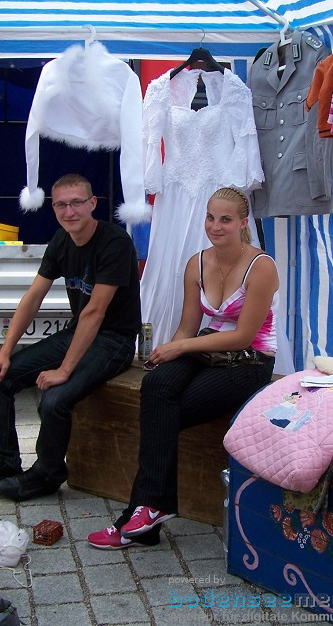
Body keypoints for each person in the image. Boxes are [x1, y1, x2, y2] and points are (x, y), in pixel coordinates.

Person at [88, 186, 279, 549]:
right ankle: (148, 516)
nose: (215, 226)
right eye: (210, 217)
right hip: (204, 349)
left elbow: (241, 337)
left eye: (225, 219)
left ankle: (140, 516)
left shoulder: (261, 266)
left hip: (249, 362)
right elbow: (188, 326)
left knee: (163, 416)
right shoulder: (197, 262)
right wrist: (171, 353)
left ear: (242, 223)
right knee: (157, 385)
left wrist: (180, 347)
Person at [0, 173, 141, 502]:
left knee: (55, 401)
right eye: (60, 204)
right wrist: (4, 352)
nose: (69, 211)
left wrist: (64, 370)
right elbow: (33, 298)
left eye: (76, 203)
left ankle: (48, 473)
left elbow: (95, 311)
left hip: (114, 340)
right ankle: (3, 465)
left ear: (92, 204)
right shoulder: (61, 241)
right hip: (80, 333)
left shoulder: (115, 242)